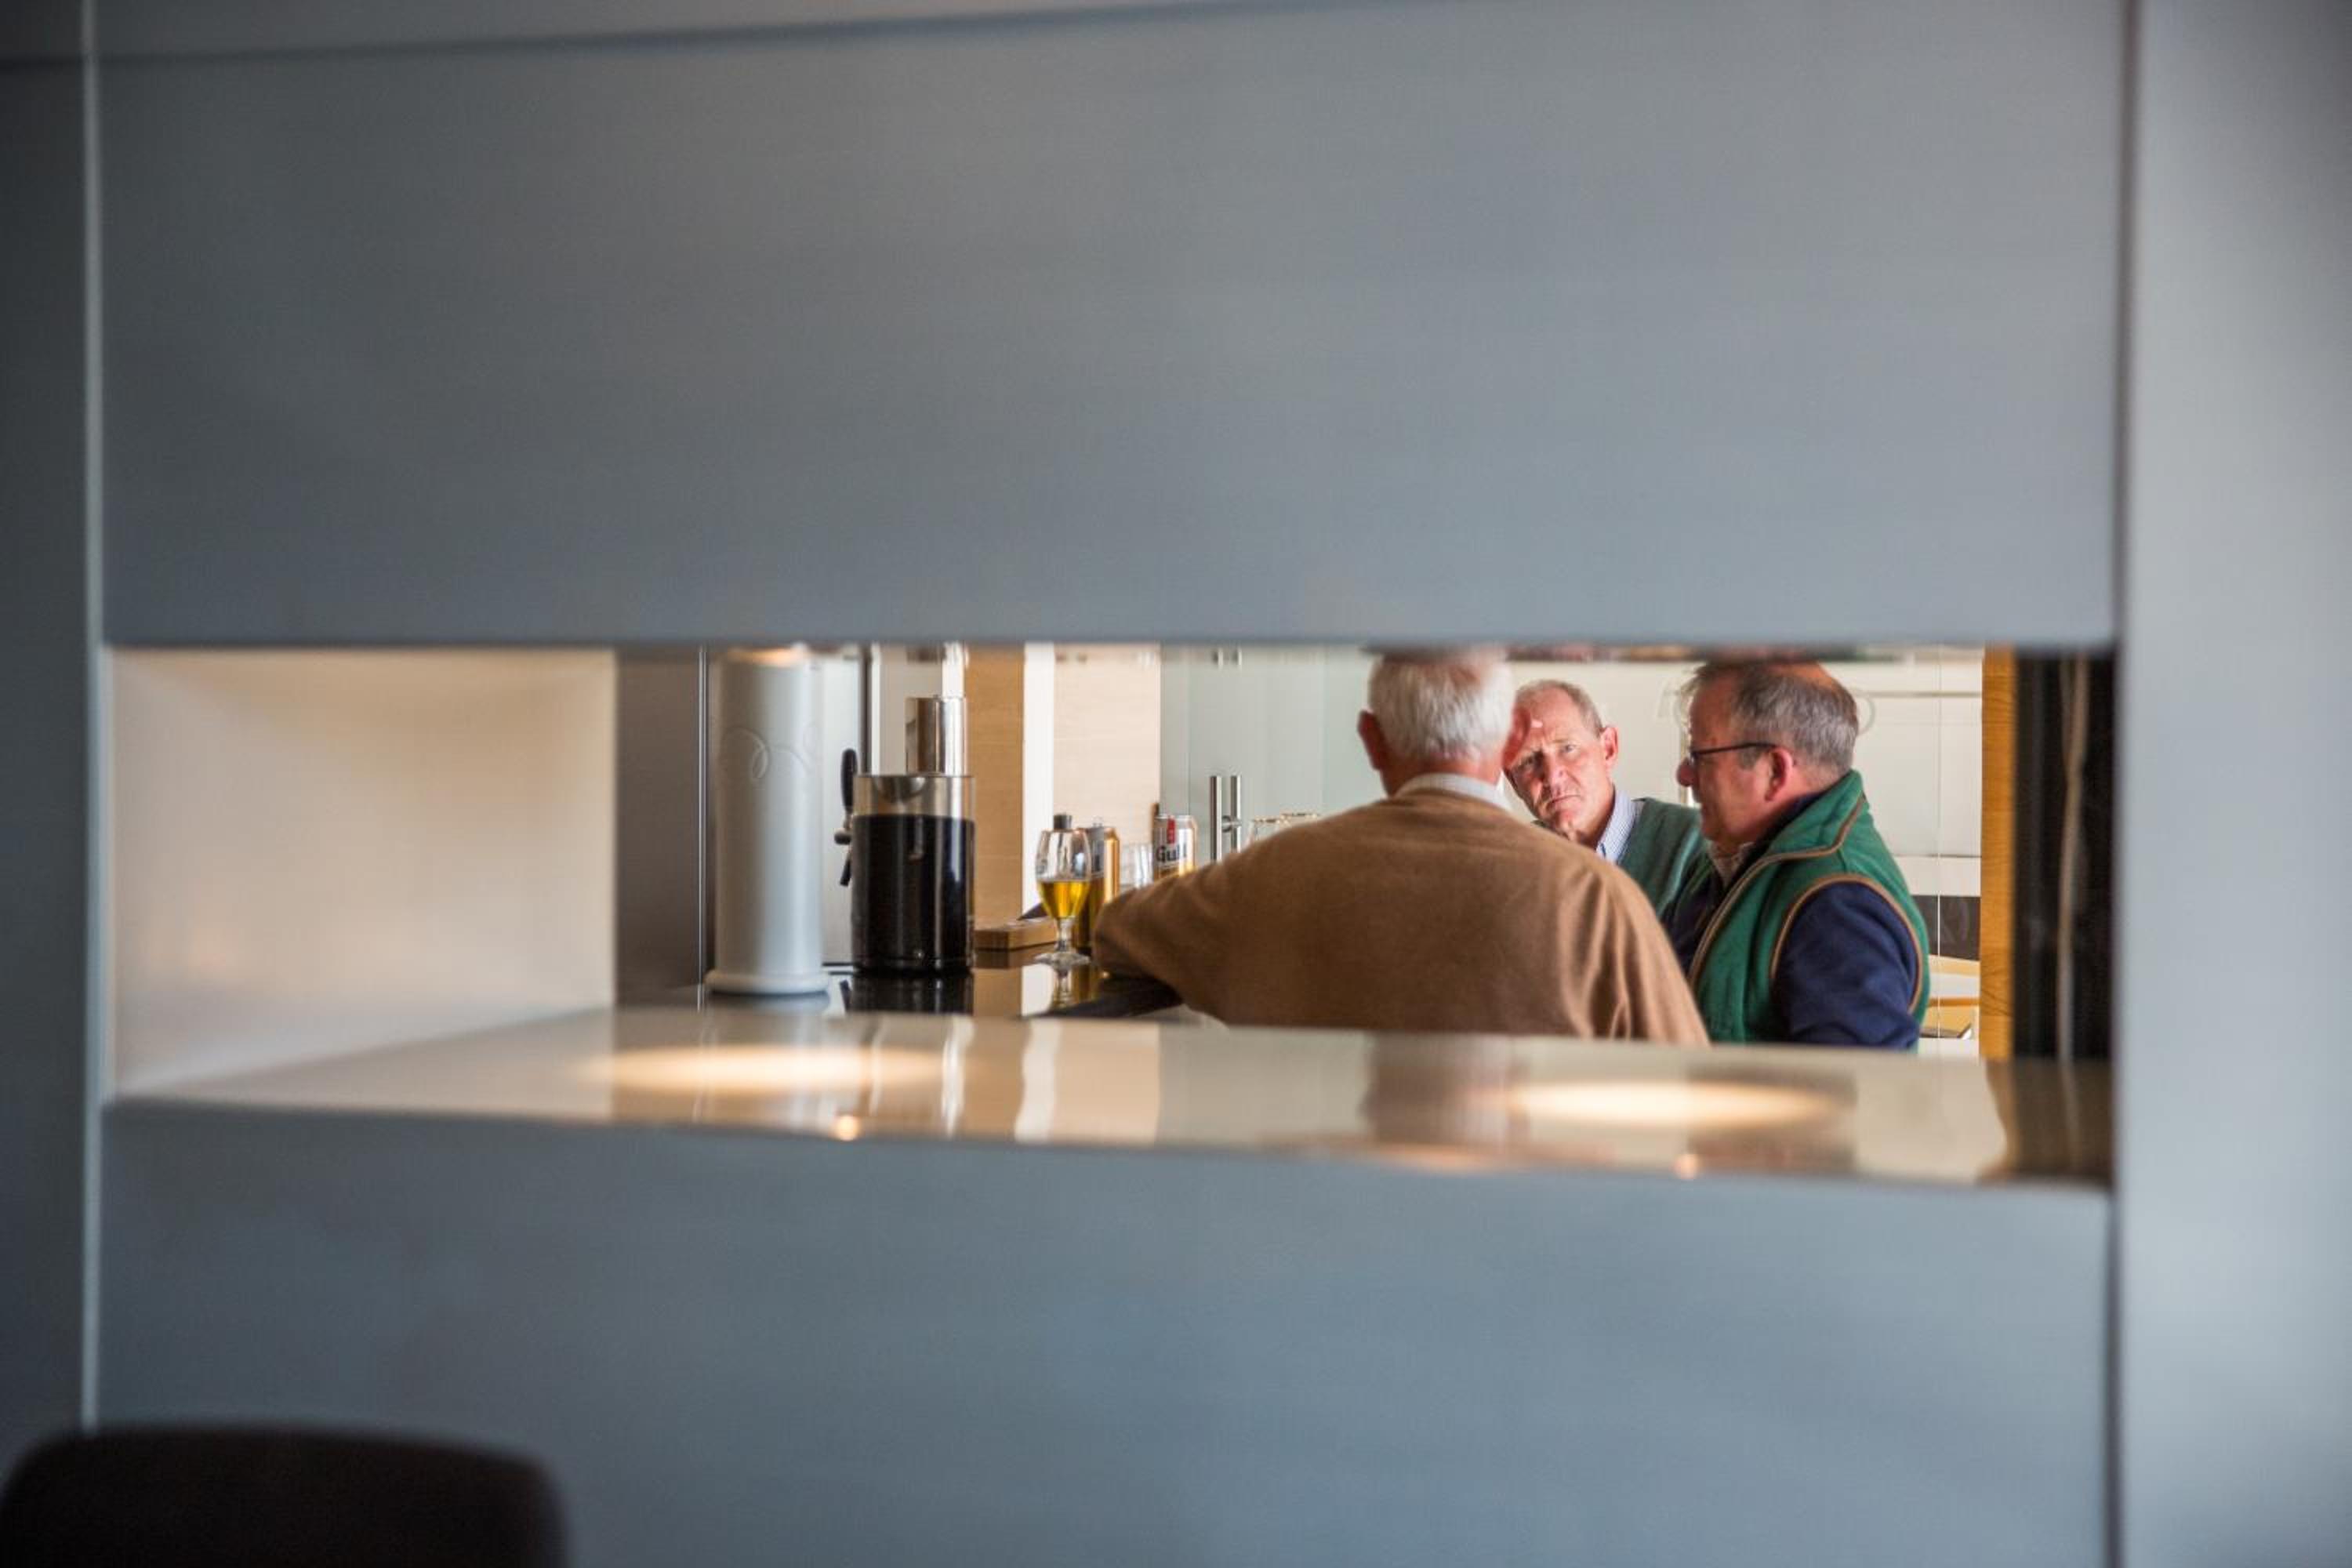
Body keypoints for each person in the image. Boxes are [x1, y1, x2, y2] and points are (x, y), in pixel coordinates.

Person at [1093, 652, 1708, 1043]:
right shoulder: (1600, 899)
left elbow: (1116, 931)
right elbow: (1684, 1089)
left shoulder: (1274, 873)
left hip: (1322, 1201)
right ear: (1510, 741)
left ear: (1372, 738)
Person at [1663, 660, 1929, 1048]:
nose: (1684, 775)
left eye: (1699, 756)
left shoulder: (1839, 905)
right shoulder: (1730, 861)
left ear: (1775, 770)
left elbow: (1860, 1085)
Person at [1504, 678, 1706, 916]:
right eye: (1528, 760)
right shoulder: (1513, 863)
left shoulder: (1694, 841)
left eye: (1568, 748)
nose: (1551, 776)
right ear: (1513, 781)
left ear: (1608, 749)